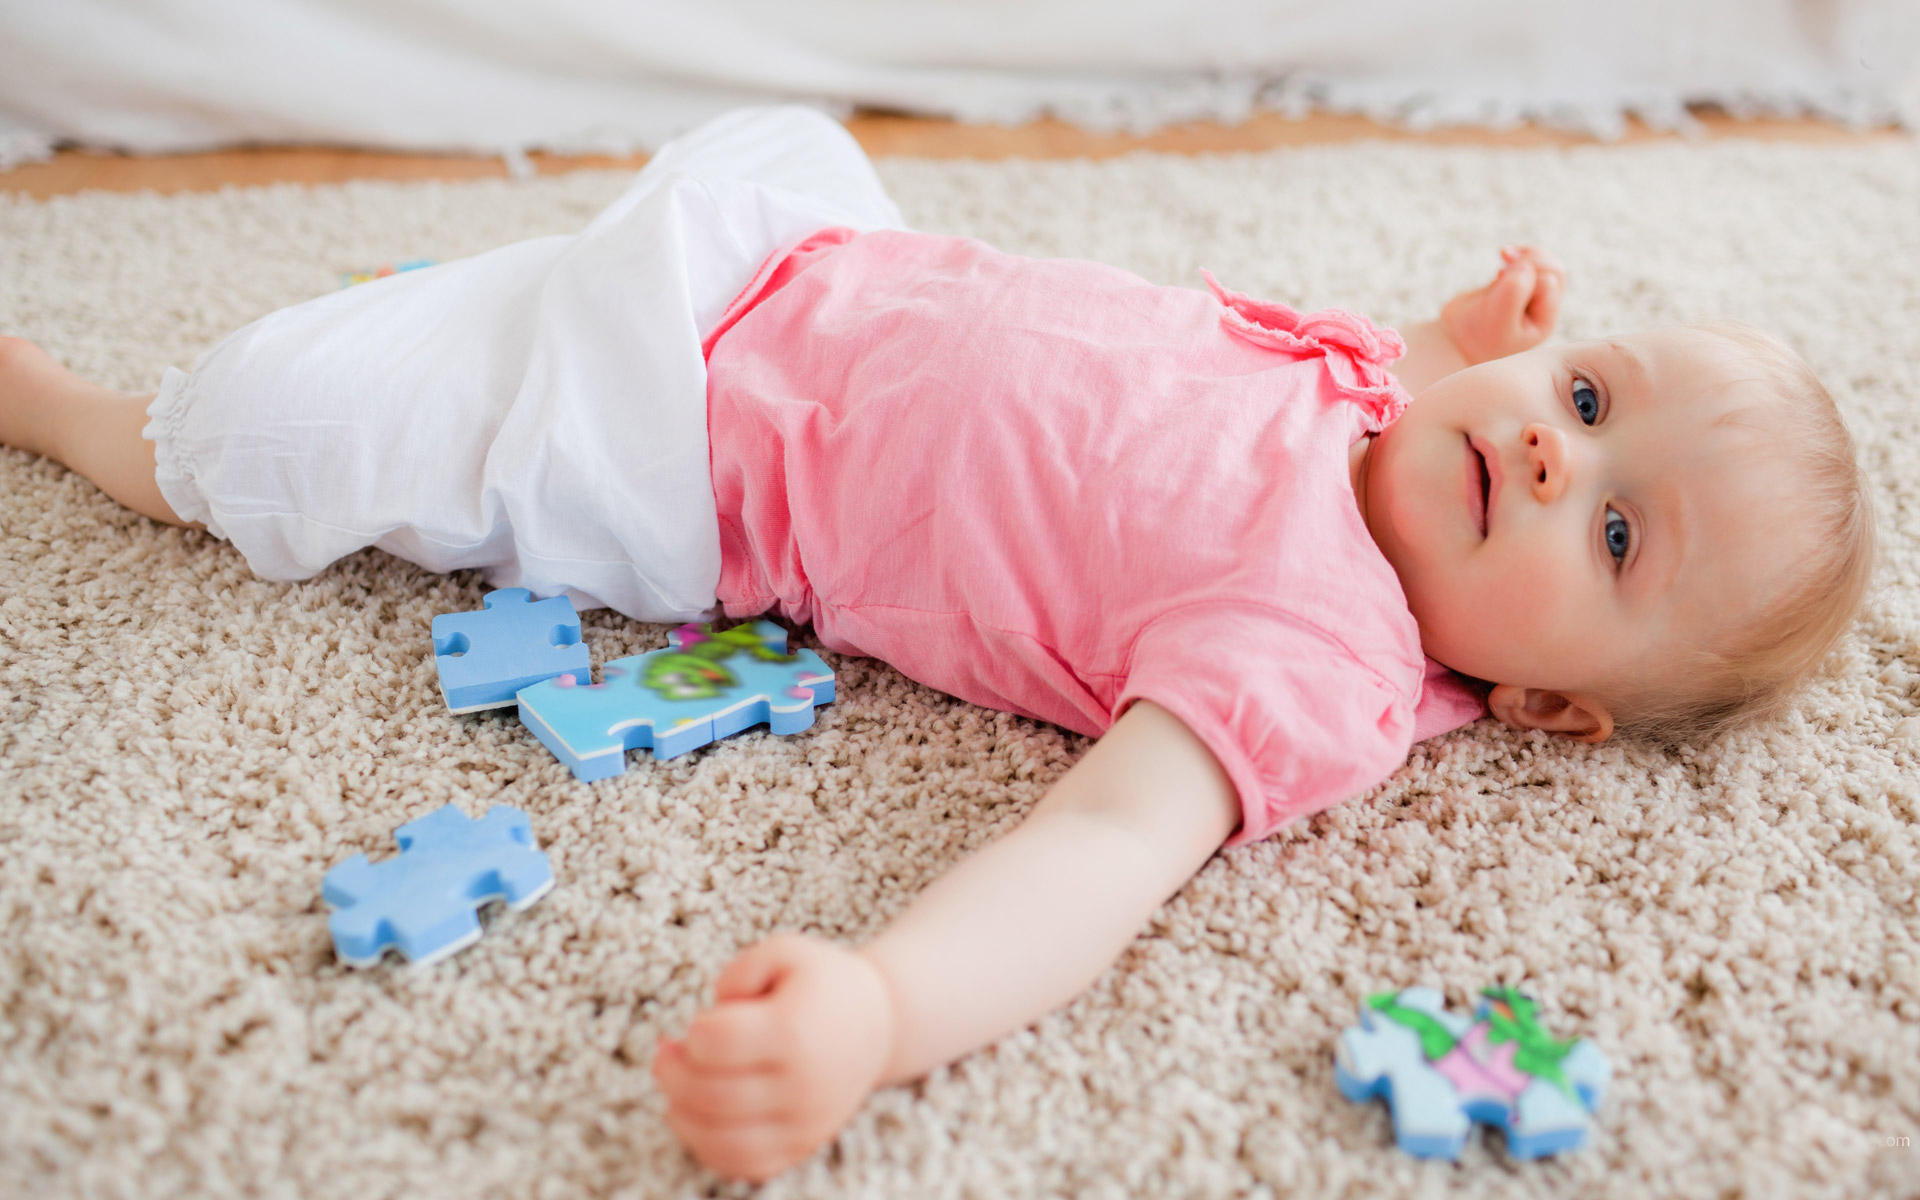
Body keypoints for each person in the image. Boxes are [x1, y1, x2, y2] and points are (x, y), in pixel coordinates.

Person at [0, 107, 1875, 1180]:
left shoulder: (1318, 661)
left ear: (1541, 703)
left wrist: (885, 1012)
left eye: (1616, 527)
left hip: (682, 445)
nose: (1554, 438)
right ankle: (466, 312)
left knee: (269, 441)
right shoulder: (1411, 404)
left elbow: (1096, 852)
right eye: (1595, 385)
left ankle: (75, 415)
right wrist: (1457, 331)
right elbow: (1379, 398)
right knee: (560, 263)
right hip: (804, 260)